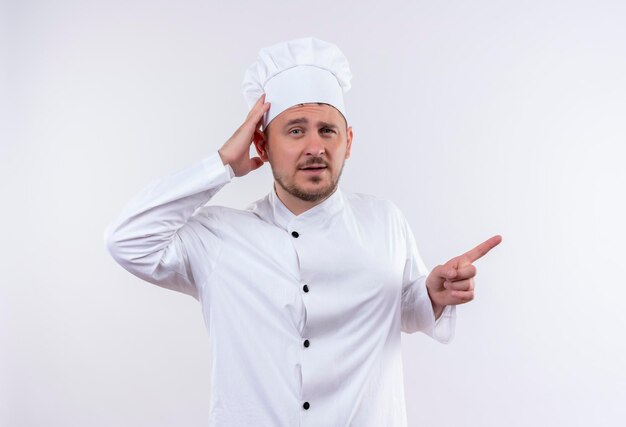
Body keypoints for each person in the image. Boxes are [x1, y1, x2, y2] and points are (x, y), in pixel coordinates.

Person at [104, 37, 502, 427]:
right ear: (262, 143)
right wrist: (222, 163)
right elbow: (127, 240)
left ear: (348, 142)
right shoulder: (218, 237)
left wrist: (431, 294)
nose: (315, 146)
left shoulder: (384, 220)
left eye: (328, 131)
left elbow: (401, 309)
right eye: (295, 131)